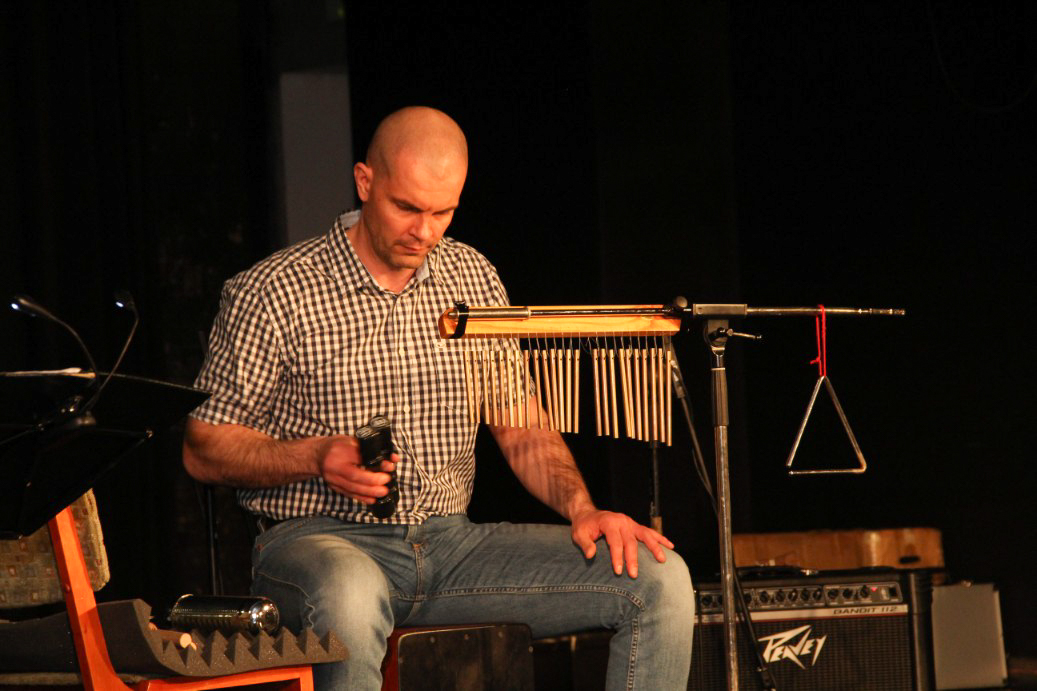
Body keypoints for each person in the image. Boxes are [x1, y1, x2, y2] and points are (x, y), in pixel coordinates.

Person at [183, 106, 694, 690]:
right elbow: (204, 448)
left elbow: (520, 425)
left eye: (442, 212)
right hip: (316, 541)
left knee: (658, 580)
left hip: (452, 545)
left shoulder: (471, 276)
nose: (424, 232)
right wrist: (317, 456)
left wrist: (583, 509)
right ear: (365, 182)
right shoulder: (274, 290)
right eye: (406, 207)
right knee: (351, 591)